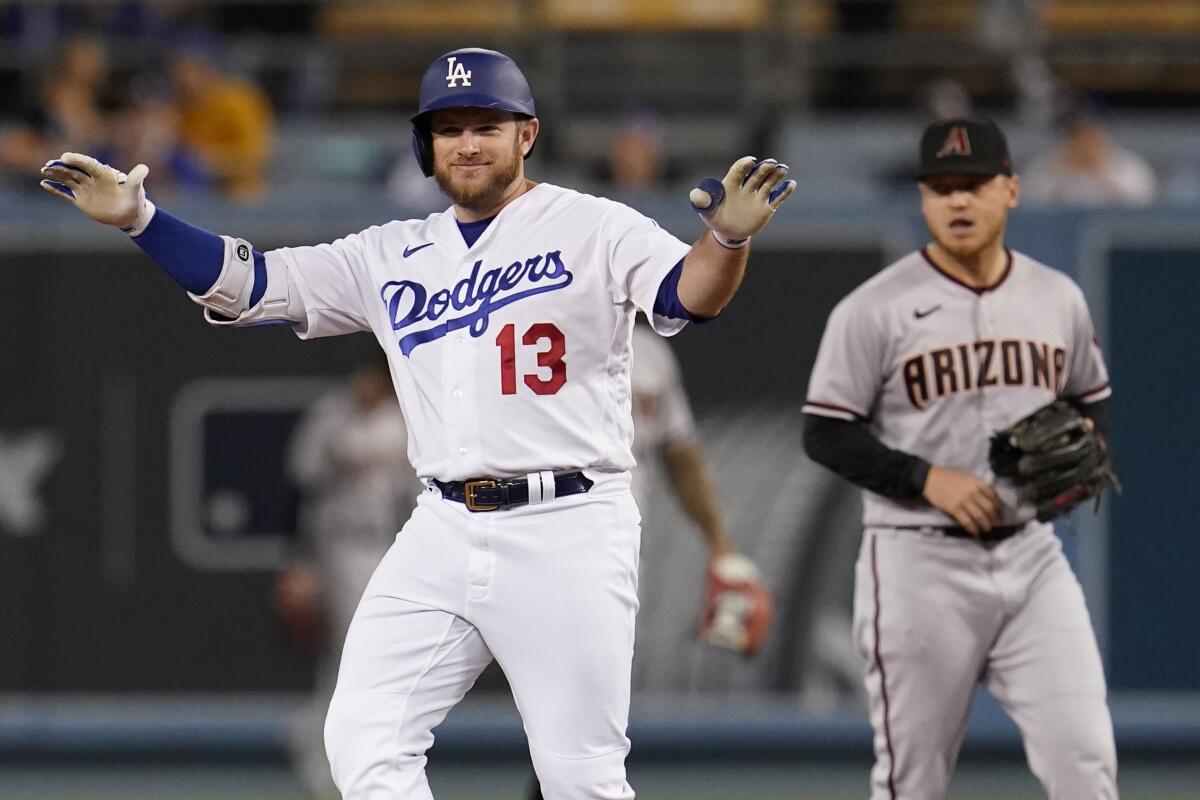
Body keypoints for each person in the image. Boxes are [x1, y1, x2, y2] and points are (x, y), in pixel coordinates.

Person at [39, 47, 795, 800]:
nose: (467, 143)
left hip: (569, 521)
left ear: (526, 135)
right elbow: (252, 286)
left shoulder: (593, 225)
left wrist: (727, 238)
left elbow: (689, 295)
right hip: (442, 524)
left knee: (579, 777)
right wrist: (142, 219)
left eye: (486, 126)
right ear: (425, 144)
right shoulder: (391, 253)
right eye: (449, 128)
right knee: (362, 740)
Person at [802, 117, 1117, 798]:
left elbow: (1093, 400)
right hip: (917, 563)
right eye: (941, 189)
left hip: (1033, 558)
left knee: (1086, 761)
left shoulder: (1056, 296)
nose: (958, 202)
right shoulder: (872, 309)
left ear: (1011, 189)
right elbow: (825, 431)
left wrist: (1088, 446)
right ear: (923, 201)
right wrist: (925, 478)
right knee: (911, 781)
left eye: (973, 186)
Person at [275, 353, 424, 799]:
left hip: (385, 544)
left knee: (374, 657)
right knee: (352, 654)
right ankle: (325, 751)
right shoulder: (330, 416)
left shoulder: (406, 420)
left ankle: (323, 738)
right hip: (335, 546)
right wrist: (297, 563)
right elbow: (298, 490)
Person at [166, 31, 274, 201]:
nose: (180, 78)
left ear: (207, 70)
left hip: (236, 190)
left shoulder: (238, 99)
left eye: (187, 69)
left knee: (246, 195)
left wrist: (212, 161)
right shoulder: (177, 104)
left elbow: (255, 158)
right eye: (177, 70)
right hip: (192, 190)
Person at [1022, 102, 1157, 207]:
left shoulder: (1128, 165)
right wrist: (1060, 173)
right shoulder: (1048, 165)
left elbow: (1144, 207)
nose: (1085, 142)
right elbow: (1029, 206)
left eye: (1091, 134)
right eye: (1078, 135)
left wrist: (1104, 172)